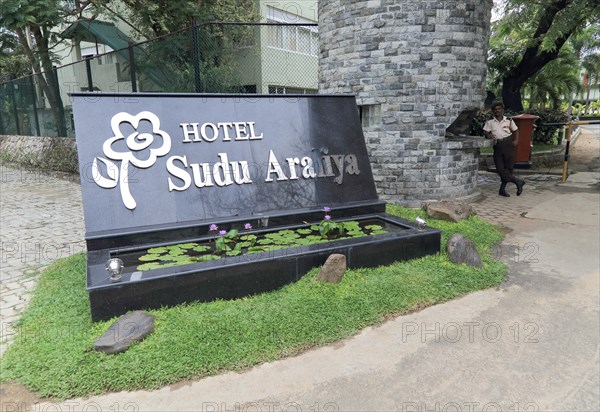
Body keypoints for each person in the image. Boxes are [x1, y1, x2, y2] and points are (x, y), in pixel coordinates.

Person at [483, 102, 525, 197]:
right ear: (493, 111)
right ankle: (518, 181)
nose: (497, 110)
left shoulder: (509, 120)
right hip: (498, 145)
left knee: (508, 168)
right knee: (500, 169)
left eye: (499, 109)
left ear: (502, 110)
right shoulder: (490, 122)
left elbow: (516, 130)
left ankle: (502, 189)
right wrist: (488, 135)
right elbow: (486, 132)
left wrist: (516, 141)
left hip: (508, 144)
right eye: (495, 109)